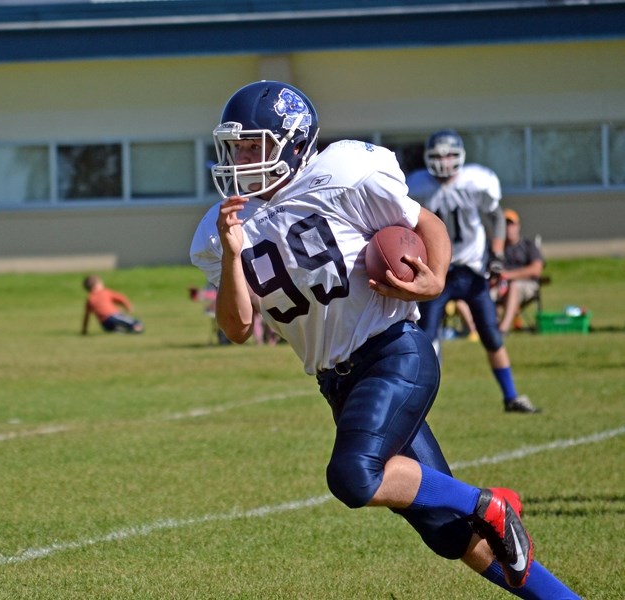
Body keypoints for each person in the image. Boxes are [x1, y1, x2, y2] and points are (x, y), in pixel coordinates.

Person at [190, 80, 579, 599]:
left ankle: (487, 504)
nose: (240, 157)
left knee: (353, 476)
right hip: (338, 383)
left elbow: (426, 223)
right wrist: (236, 253)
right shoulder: (220, 233)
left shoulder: (342, 175)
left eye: (254, 144)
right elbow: (238, 328)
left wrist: (436, 279)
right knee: (451, 536)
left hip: (393, 352)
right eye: (235, 146)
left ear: (294, 142)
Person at [407, 130, 539, 414]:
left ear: (460, 156)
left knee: (491, 335)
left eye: (449, 155)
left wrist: (498, 255)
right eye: (437, 155)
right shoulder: (417, 185)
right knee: (426, 337)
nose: (443, 161)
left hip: (473, 269)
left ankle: (511, 396)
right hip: (438, 270)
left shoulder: (475, 181)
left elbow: (496, 218)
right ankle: (418, 404)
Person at [492, 209, 545, 334]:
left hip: (526, 285)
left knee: (514, 286)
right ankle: (481, 328)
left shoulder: (528, 245)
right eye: (505, 224)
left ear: (518, 226)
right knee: (483, 292)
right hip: (500, 286)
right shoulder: (497, 247)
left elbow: (537, 269)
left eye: (511, 224)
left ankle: (503, 329)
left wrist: (509, 276)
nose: (508, 228)